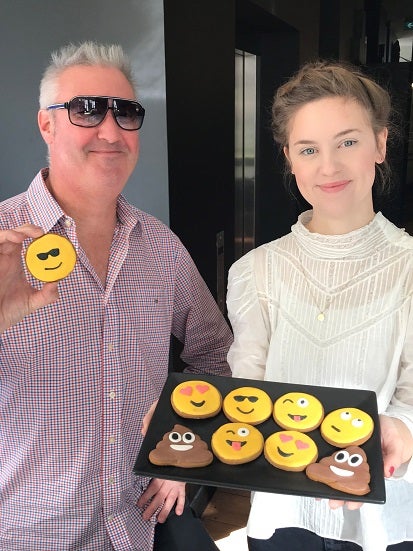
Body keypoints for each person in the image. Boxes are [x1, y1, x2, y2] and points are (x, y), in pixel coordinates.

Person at [0, 41, 232, 551]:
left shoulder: (161, 248)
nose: (111, 130)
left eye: (126, 112)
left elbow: (216, 354)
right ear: (46, 125)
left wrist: (180, 439)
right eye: (87, 110)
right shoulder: (2, 242)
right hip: (28, 530)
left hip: (140, 524)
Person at [226, 60, 413, 551]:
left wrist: (402, 427)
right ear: (290, 159)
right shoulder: (255, 271)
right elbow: (249, 385)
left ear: (381, 144)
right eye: (309, 149)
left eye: (347, 142)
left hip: (384, 513)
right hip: (282, 511)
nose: (328, 167)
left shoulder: (409, 266)